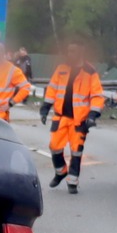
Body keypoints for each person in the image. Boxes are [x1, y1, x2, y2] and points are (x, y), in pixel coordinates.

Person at [42, 38, 107, 193]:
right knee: (55, 147)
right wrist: (45, 108)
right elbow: (52, 89)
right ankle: (61, 171)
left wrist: (92, 115)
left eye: (73, 51)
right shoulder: (61, 69)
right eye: (68, 51)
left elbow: (97, 95)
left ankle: (72, 181)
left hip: (79, 120)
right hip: (60, 117)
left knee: (76, 150)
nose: (69, 54)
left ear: (81, 52)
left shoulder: (90, 72)